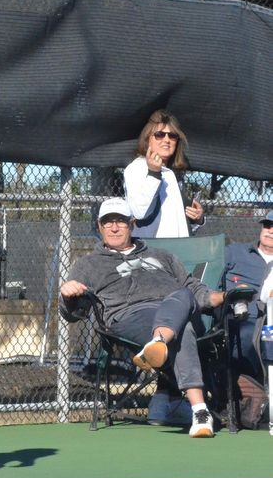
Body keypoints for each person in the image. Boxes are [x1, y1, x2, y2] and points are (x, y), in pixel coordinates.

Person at [60, 197, 225, 437]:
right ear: (99, 227)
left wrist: (221, 297)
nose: (114, 227)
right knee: (182, 327)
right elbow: (73, 314)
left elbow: (193, 288)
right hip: (129, 316)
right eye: (108, 223)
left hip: (174, 306)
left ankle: (159, 344)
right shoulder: (88, 264)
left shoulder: (163, 256)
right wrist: (68, 296)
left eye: (121, 222)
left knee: (181, 298)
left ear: (132, 224)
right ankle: (200, 410)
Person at [124, 110, 205, 238]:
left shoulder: (171, 174)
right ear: (147, 139)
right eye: (159, 134)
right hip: (152, 251)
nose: (167, 140)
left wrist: (197, 218)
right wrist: (153, 174)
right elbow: (140, 212)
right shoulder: (137, 168)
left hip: (178, 250)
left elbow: (178, 224)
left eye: (172, 136)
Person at [221, 210, 273, 378]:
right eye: (267, 225)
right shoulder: (235, 252)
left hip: (269, 323)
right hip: (240, 319)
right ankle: (251, 394)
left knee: (267, 338)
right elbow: (208, 278)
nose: (270, 230)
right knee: (249, 336)